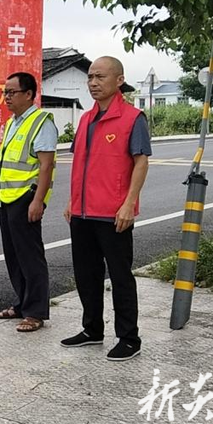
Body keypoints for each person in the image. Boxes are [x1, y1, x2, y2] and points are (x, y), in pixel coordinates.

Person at [61, 56, 151, 361]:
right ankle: (92, 330)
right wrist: (73, 202)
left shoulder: (132, 118)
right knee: (86, 275)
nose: (93, 83)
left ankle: (129, 338)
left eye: (100, 77)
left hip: (114, 214)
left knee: (120, 276)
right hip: (83, 213)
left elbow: (141, 162)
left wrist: (128, 204)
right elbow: (81, 165)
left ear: (119, 80)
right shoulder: (86, 119)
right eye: (90, 77)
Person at [0, 72, 57, 333]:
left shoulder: (41, 121)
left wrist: (38, 201)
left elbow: (46, 165)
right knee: (14, 256)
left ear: (29, 94)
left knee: (30, 256)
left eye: (12, 92)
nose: (6, 97)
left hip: (26, 197)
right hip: (8, 198)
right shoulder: (13, 123)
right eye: (5, 92)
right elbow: (6, 165)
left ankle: (35, 312)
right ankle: (21, 304)